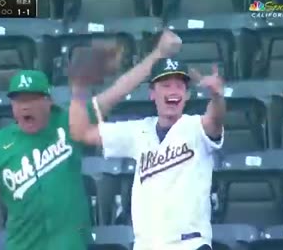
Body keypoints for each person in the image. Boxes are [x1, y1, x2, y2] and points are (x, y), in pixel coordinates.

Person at [0, 30, 180, 250]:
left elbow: (117, 91)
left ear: (48, 101)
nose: (24, 106)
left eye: (32, 99)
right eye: (19, 100)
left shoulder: (68, 123)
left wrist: (158, 54)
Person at [69, 34, 226, 249]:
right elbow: (82, 133)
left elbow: (215, 120)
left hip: (191, 244)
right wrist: (78, 91)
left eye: (179, 86)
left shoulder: (196, 127)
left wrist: (217, 96)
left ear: (187, 95)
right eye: (166, 85)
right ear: (152, 93)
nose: (173, 91)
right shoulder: (138, 131)